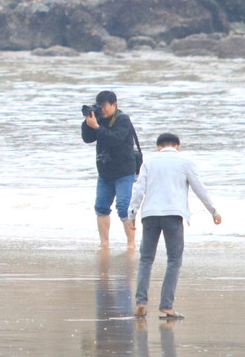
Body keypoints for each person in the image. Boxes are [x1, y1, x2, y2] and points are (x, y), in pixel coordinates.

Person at [129, 132, 220, 319]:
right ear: (177, 146)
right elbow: (199, 188)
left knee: (146, 259)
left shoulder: (149, 163)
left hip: (150, 215)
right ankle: (166, 306)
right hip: (173, 215)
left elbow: (139, 190)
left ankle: (141, 302)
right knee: (173, 261)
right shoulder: (185, 162)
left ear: (158, 146)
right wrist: (213, 211)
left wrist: (132, 213)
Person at [81, 90, 140, 251]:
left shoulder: (123, 120)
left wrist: (97, 127)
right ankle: (104, 243)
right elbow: (88, 139)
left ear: (114, 104)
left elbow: (116, 139)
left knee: (123, 207)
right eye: (100, 106)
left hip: (124, 171)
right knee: (101, 207)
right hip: (105, 171)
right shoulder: (99, 119)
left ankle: (131, 244)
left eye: (105, 106)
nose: (102, 109)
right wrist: (88, 122)